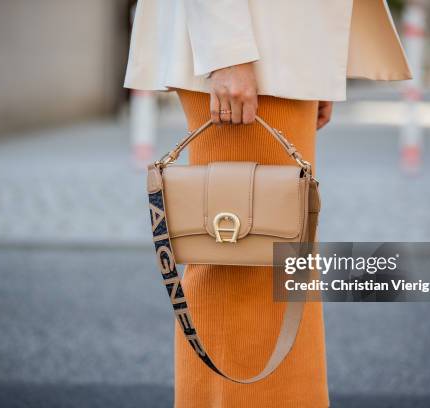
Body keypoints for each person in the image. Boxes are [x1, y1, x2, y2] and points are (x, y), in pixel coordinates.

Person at [125, 1, 411, 407]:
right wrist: (227, 53)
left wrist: (316, 72)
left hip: (279, 51)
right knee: (243, 261)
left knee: (280, 263)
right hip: (251, 48)